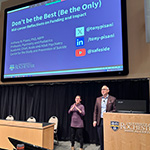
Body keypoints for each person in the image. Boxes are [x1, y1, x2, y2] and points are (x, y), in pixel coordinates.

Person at [93, 85, 116, 150]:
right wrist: (94, 120)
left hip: (108, 120)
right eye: (102, 89)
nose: (102, 91)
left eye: (104, 89)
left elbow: (115, 110)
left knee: (108, 136)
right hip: (100, 121)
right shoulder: (98, 99)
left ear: (108, 91)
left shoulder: (113, 99)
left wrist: (108, 114)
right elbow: (95, 111)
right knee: (100, 136)